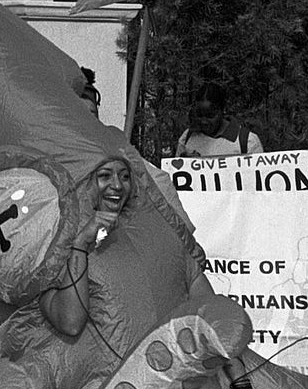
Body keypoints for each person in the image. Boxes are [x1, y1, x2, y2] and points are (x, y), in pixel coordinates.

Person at [38, 158, 215, 376]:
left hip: (178, 384)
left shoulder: (160, 232)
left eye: (124, 176)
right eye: (105, 176)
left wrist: (238, 379)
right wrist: (81, 244)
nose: (117, 185)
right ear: (84, 181)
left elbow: (209, 311)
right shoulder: (56, 244)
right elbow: (70, 322)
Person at [175, 82, 264, 157]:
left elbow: (258, 175)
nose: (203, 121)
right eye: (199, 115)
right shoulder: (188, 136)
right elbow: (176, 173)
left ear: (223, 110)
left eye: (210, 116)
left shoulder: (247, 141)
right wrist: (185, 163)